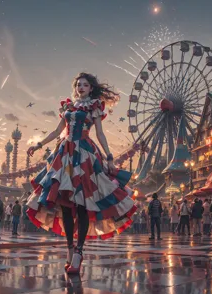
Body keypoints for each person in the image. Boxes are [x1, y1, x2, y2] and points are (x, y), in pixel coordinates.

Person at [26, 72, 136, 274]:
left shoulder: (94, 106)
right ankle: (69, 249)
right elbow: (57, 130)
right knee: (66, 205)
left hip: (84, 153)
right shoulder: (68, 106)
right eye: (78, 85)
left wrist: (109, 156)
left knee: (84, 203)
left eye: (85, 84)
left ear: (91, 88)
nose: (81, 87)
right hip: (65, 153)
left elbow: (100, 133)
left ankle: (78, 252)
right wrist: (39, 144)